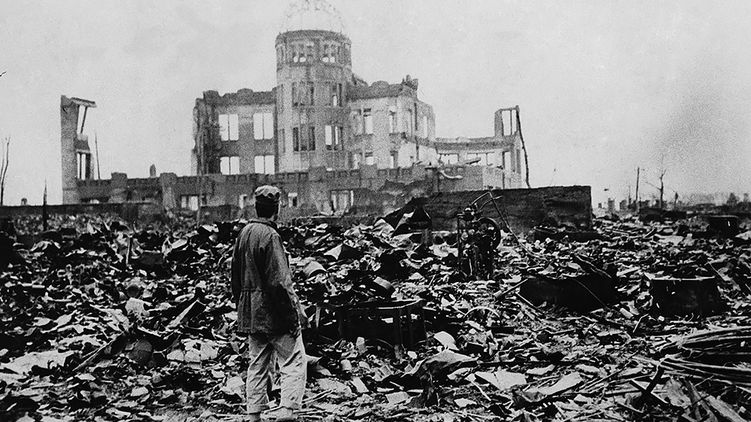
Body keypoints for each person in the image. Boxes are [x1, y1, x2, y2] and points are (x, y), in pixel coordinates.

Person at [231, 185, 307, 422]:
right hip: (273, 313)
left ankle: (254, 414)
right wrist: (293, 316)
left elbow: (235, 277)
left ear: (257, 207)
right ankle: (288, 410)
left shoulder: (244, 233)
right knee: (294, 359)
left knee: (257, 363)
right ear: (277, 209)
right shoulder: (271, 236)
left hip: (251, 314)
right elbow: (279, 283)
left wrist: (243, 307)